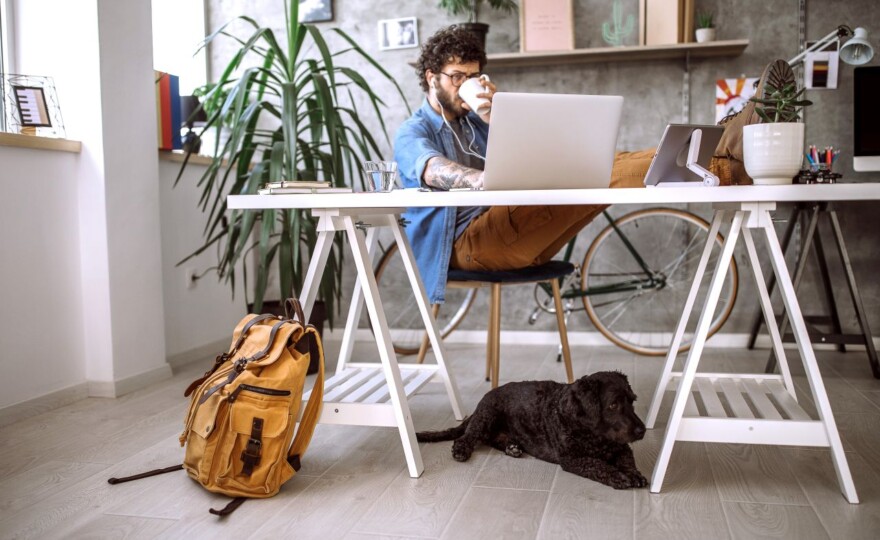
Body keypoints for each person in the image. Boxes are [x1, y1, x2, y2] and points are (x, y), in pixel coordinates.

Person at [394, 25, 653, 305]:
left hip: (509, 232)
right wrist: (486, 181)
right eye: (457, 77)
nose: (464, 84)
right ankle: (695, 160)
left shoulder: (475, 123)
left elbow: (536, 151)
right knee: (604, 174)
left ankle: (691, 157)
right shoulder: (413, 131)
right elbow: (433, 170)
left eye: (473, 76)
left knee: (600, 166)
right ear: (432, 78)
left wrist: (498, 114)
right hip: (469, 244)